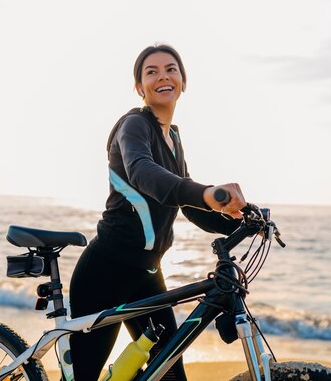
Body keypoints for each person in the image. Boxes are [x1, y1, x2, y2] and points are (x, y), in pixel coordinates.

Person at [69, 44, 247, 381]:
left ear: (183, 81)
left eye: (171, 69)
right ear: (140, 88)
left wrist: (241, 220)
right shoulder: (133, 126)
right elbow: (143, 172)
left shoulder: (174, 139)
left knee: (170, 374)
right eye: (151, 72)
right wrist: (207, 193)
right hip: (106, 271)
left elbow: (189, 207)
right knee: (85, 377)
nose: (162, 76)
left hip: (148, 274)